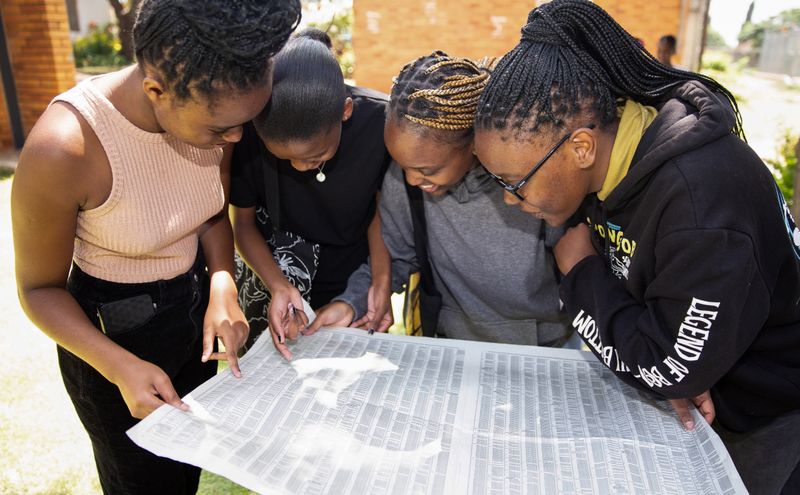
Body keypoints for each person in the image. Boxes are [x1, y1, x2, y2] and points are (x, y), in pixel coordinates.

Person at [473, 1, 800, 493]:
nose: (508, 197)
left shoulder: (701, 206)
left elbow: (666, 365)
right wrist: (672, 361)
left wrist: (582, 274)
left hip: (771, 416)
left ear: (581, 147)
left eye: (515, 181)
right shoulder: (614, 157)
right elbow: (666, 348)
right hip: (714, 396)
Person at [10, 1, 301, 493]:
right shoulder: (65, 148)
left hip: (190, 316)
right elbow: (39, 291)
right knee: (143, 482)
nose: (236, 137)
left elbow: (209, 211)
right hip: (110, 339)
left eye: (243, 123)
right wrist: (120, 368)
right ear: (155, 91)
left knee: (185, 471)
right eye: (222, 130)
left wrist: (222, 283)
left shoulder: (214, 102)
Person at [308, 51, 571, 347]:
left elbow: (575, 262)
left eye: (427, 170)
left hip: (545, 346)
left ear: (473, 143)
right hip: (449, 345)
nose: (411, 180)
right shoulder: (406, 183)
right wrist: (350, 303)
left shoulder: (526, 182)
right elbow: (394, 258)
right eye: (403, 166)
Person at [229, 35, 392, 360]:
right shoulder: (247, 128)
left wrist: (380, 280)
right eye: (284, 159)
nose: (301, 167)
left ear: (345, 111)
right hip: (273, 270)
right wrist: (277, 285)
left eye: (316, 154)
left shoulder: (380, 123)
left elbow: (382, 213)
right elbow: (242, 226)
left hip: (351, 272)